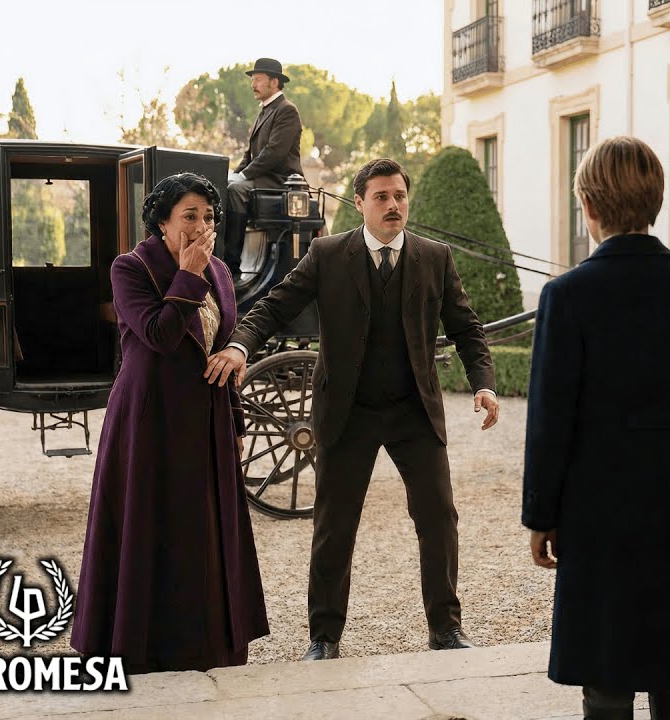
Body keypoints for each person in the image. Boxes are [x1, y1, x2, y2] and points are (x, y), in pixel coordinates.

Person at [206, 157, 500, 661]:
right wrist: (239, 345)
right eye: (381, 197)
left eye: (399, 196)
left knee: (438, 518)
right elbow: (274, 305)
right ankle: (323, 637)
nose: (393, 205)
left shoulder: (435, 257)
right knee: (335, 524)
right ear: (360, 203)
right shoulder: (327, 254)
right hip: (348, 411)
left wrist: (484, 385)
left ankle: (446, 629)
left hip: (414, 411)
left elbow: (467, 329)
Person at [522, 136, 670, 720]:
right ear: (657, 202)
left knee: (606, 673)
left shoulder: (566, 296)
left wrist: (541, 514)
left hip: (597, 511)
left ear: (589, 206)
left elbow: (549, 421)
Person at [71, 173, 269, 673]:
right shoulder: (131, 268)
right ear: (162, 221)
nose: (201, 226)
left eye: (208, 217)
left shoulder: (220, 272)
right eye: (189, 216)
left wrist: (236, 422)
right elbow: (158, 334)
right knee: (150, 526)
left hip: (208, 418)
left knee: (204, 530)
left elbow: (221, 349)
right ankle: (142, 649)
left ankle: (210, 647)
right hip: (149, 420)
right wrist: (188, 275)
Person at [224, 57, 304, 280]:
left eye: (258, 79)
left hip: (281, 181)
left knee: (236, 190)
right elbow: (249, 154)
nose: (253, 84)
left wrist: (243, 177)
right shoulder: (264, 111)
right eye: (253, 80)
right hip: (261, 177)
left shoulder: (287, 110)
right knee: (224, 185)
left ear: (274, 82)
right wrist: (234, 174)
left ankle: (231, 267)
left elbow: (274, 153)